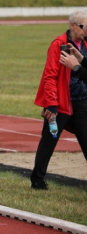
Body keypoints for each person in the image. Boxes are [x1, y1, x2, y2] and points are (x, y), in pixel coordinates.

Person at [32, 10, 87, 190]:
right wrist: (52, 104)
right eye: (84, 26)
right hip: (62, 103)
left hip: (82, 103)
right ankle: (37, 179)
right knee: (49, 141)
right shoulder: (59, 44)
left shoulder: (86, 44)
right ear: (73, 26)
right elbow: (49, 76)